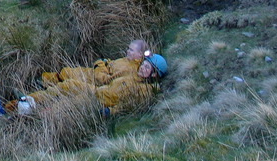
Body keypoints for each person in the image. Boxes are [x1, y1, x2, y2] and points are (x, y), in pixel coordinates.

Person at [17, 40, 168, 116]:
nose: (143, 67)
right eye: (144, 65)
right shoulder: (134, 74)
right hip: (96, 91)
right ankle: (28, 99)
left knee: (65, 106)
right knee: (67, 85)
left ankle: (34, 115)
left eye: (147, 67)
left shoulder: (145, 90)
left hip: (98, 101)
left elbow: (128, 105)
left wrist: (110, 111)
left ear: (154, 74)